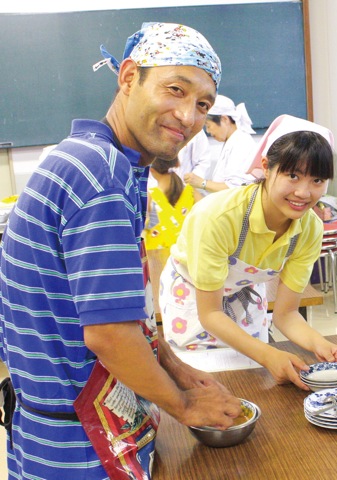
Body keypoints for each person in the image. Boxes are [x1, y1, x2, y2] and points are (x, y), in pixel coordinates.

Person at [0, 22, 242, 479]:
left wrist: (171, 365)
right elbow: (109, 334)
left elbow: (120, 308)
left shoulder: (100, 161)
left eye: (203, 105)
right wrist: (184, 405)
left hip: (59, 425)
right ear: (129, 77)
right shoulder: (100, 176)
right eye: (175, 89)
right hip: (78, 444)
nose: (188, 116)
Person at [159, 114, 337, 389]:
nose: (303, 192)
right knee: (202, 383)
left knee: (251, 381)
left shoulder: (309, 229)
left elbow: (286, 315)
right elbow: (210, 314)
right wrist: (269, 354)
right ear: (267, 168)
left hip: (244, 296)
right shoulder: (218, 216)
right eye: (292, 175)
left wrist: (321, 344)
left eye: (317, 180)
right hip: (194, 298)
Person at [183, 94, 257, 192]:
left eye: (208, 126)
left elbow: (235, 188)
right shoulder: (232, 141)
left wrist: (201, 183)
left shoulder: (242, 144)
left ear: (224, 119)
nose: (208, 131)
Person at [144, 156, 203, 252]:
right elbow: (207, 219)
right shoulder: (192, 192)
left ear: (151, 170)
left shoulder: (149, 196)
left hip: (157, 259)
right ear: (177, 164)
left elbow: (138, 226)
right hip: (187, 257)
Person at [177, 129, 215, 195]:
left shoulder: (196, 129)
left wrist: (190, 184)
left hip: (187, 190)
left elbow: (203, 161)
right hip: (157, 188)